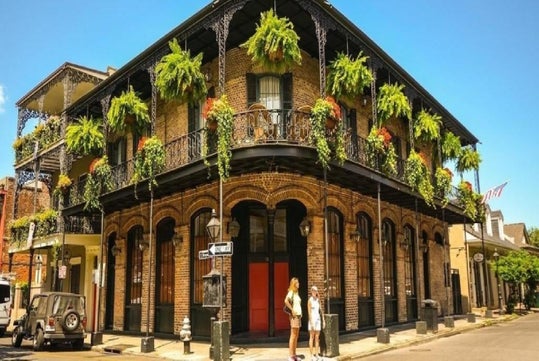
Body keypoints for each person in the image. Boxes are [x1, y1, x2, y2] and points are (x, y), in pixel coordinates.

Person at [284, 277, 302, 361]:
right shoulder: (291, 292)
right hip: (294, 316)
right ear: (294, 284)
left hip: (298, 316)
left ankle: (294, 355)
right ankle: (290, 356)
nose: (299, 284)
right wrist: (292, 310)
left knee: (296, 336)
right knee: (293, 335)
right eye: (297, 283)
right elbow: (286, 301)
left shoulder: (296, 293)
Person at [308, 285, 324, 360]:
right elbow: (309, 312)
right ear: (311, 291)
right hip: (312, 320)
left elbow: (320, 310)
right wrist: (311, 322)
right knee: (312, 337)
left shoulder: (318, 299)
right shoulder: (310, 300)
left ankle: (317, 354)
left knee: (317, 338)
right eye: (314, 290)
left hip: (318, 319)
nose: (315, 292)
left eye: (316, 290)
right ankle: (311, 355)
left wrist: (323, 319)